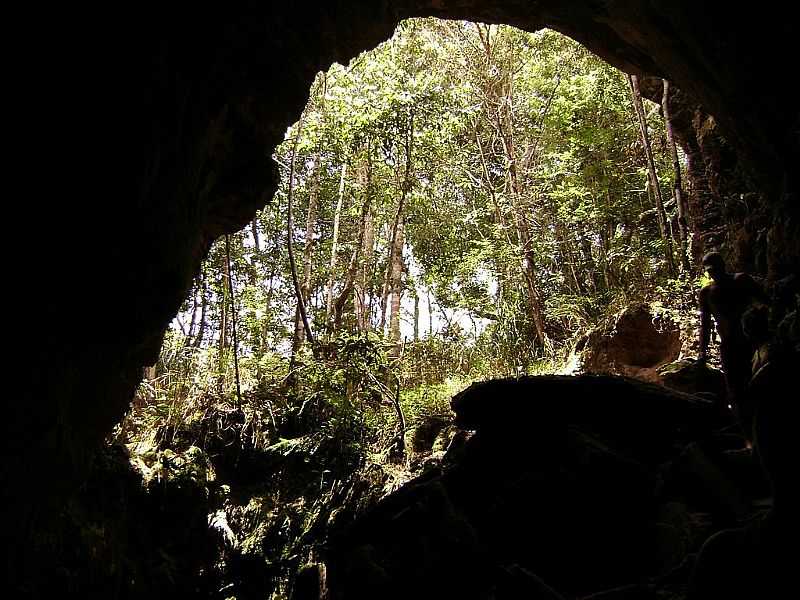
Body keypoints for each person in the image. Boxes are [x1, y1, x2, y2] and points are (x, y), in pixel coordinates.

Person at [697, 252, 766, 428]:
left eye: (714, 268)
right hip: (728, 345)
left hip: (751, 342)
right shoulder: (706, 293)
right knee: (735, 390)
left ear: (723, 265)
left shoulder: (741, 280)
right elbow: (705, 324)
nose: (712, 272)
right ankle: (745, 433)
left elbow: (766, 302)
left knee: (759, 384)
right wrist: (702, 352)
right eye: (708, 270)